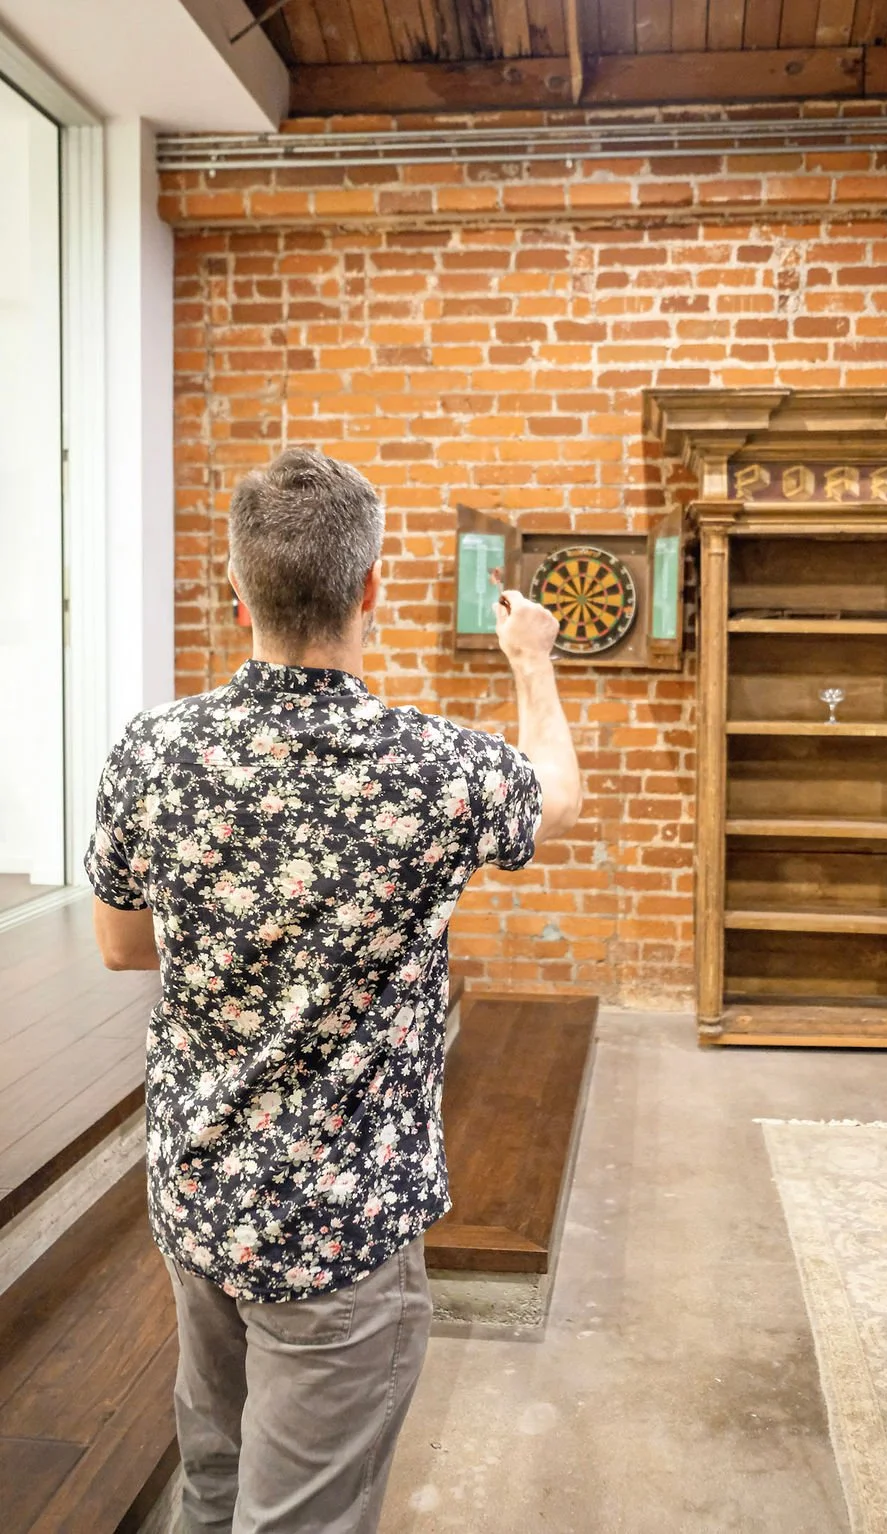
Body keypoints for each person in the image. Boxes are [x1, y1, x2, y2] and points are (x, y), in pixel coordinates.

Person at [85, 448, 582, 1534]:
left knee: (212, 1481)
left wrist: (247, 953)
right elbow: (559, 794)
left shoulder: (151, 753)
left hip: (201, 1195)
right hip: (342, 1228)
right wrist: (531, 662)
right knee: (299, 1515)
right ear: (369, 588)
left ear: (238, 591)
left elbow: (124, 950)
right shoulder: (434, 767)